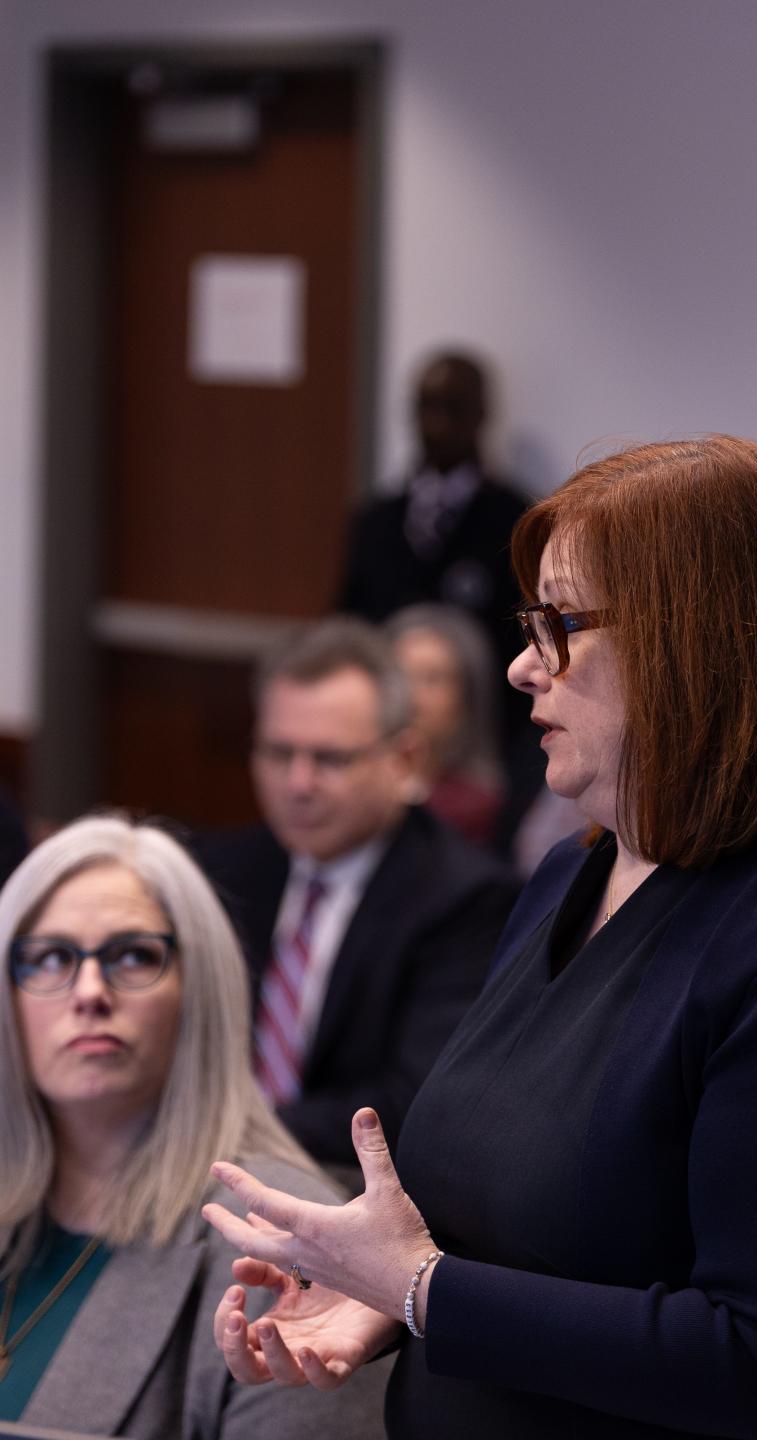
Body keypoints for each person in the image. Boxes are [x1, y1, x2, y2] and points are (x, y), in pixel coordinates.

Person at [203, 436, 757, 1439]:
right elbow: (526, 1239)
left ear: (696, 642)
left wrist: (422, 1289)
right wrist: (375, 1298)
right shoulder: (571, 875)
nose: (521, 667)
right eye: (528, 625)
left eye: (558, 626)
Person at [0, 814, 390, 1437]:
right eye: (49, 957)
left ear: (199, 990)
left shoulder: (293, 1241)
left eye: (133, 955)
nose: (90, 992)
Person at [194, 617, 520, 1170]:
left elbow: (413, 1102)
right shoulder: (221, 871)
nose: (297, 784)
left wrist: (220, 1132)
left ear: (405, 761)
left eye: (330, 759)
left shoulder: (467, 899)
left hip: (350, 1191)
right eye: (278, 753)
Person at [339, 350, 544, 833]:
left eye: (451, 408)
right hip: (382, 743)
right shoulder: (377, 522)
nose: (435, 424)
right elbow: (348, 627)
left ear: (480, 416)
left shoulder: (515, 522)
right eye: (425, 408)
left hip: (486, 751)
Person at [384, 604, 505, 847]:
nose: (412, 696)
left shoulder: (476, 805)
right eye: (400, 675)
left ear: (467, 700)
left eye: (432, 679)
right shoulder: (353, 778)